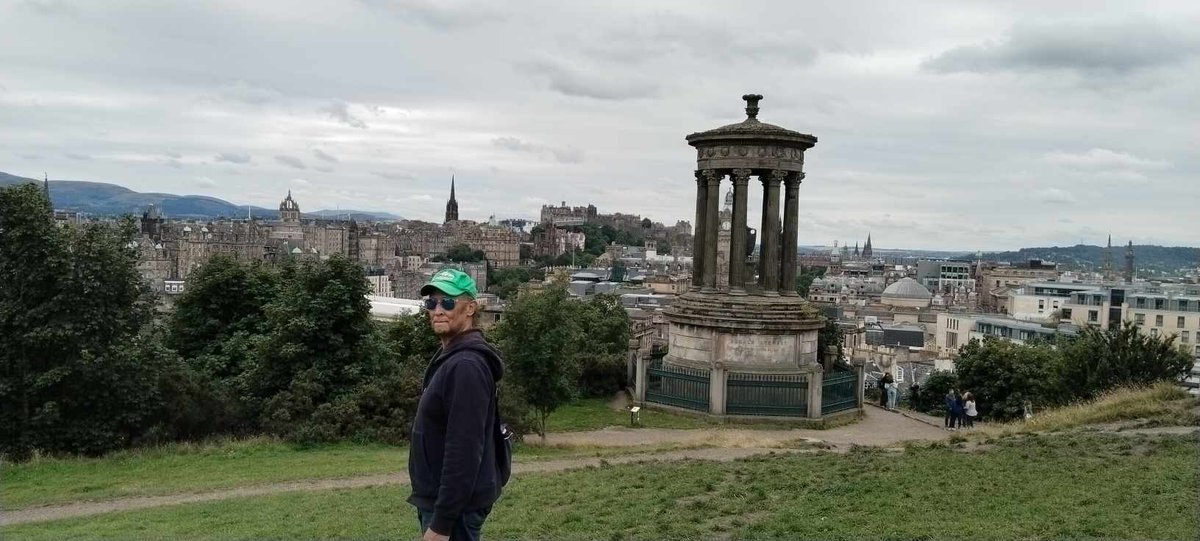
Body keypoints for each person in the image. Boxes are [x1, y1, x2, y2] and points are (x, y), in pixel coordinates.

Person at [409, 269, 506, 541]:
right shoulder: (451, 356)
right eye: (432, 303)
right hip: (444, 500)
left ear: (470, 308)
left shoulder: (466, 366)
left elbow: (464, 449)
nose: (438, 310)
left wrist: (441, 525)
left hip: (455, 509)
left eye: (448, 302)